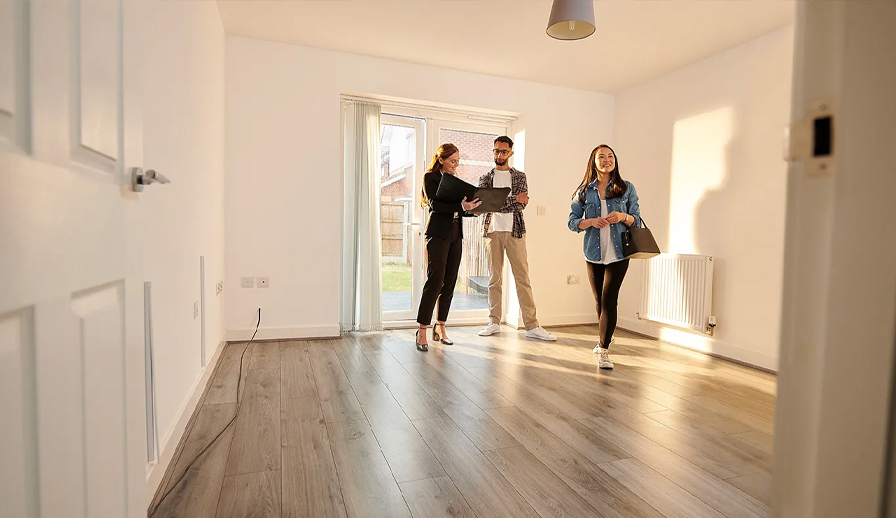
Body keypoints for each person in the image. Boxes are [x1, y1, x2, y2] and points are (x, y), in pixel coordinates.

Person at [568, 144, 642, 369]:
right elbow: (572, 222)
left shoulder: (626, 188)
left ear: (615, 161)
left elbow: (637, 220)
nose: (607, 160)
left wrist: (622, 216)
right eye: (602, 157)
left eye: (610, 156)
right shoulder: (584, 191)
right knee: (600, 301)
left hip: (619, 252)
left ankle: (603, 349)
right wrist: (590, 221)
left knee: (610, 299)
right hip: (593, 252)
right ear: (594, 161)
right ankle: (607, 335)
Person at [477, 136, 556, 342]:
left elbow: (522, 205)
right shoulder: (485, 178)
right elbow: (486, 205)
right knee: (494, 279)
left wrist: (499, 201)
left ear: (510, 153)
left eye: (503, 151)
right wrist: (511, 199)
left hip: (515, 232)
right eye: (496, 151)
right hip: (491, 231)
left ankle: (532, 325)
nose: (499, 155)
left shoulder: (520, 177)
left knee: (523, 279)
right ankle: (494, 322)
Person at [415, 143, 482, 351]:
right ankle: (422, 330)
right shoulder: (430, 178)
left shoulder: (454, 182)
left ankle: (441, 327)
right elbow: (435, 205)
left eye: (458, 162)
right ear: (441, 159)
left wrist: (473, 210)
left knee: (450, 282)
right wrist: (461, 207)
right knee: (435, 281)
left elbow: (459, 208)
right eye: (453, 161)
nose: (456, 165)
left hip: (455, 235)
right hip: (437, 234)